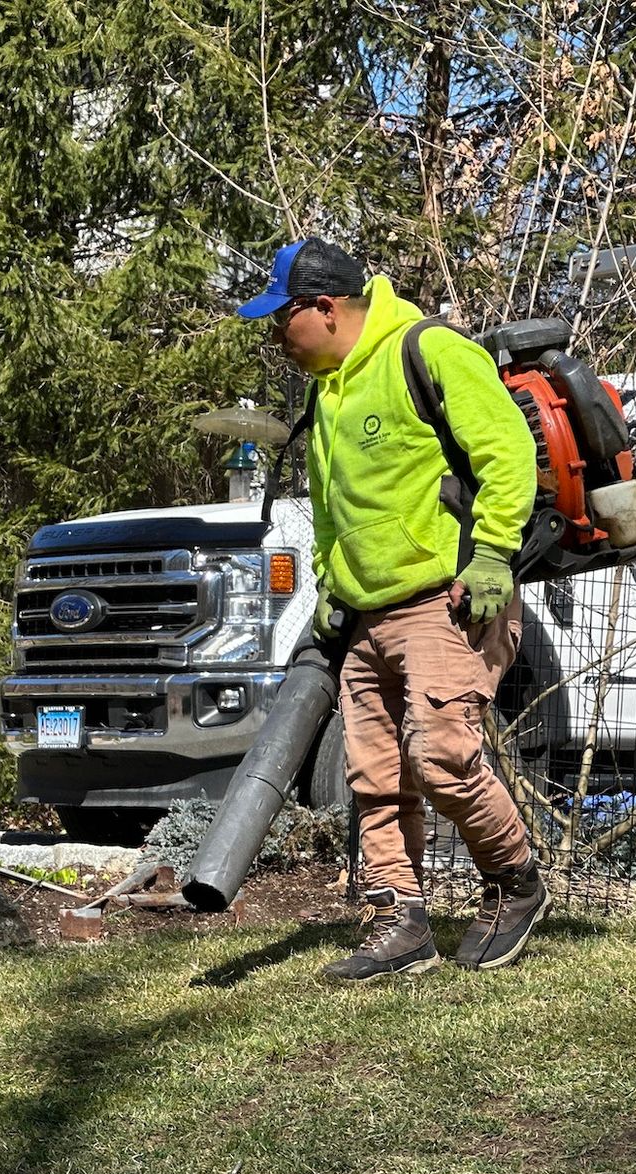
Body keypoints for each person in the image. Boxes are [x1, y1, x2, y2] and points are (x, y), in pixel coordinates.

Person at [237, 237, 550, 982]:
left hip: (445, 601)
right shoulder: (329, 388)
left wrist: (491, 555)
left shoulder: (428, 349)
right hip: (364, 616)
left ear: (323, 308)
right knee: (375, 777)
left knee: (440, 759)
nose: (276, 336)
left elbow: (509, 453)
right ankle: (398, 923)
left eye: (282, 319)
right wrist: (328, 589)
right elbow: (334, 510)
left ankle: (516, 882)